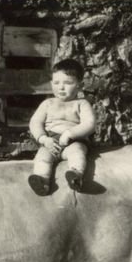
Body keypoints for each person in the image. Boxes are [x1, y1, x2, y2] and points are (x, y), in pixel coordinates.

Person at [29, 59, 96, 195]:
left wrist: (70, 133)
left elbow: (90, 124)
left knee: (77, 153)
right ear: (51, 83)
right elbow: (35, 122)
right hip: (51, 142)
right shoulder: (48, 103)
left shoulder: (81, 104)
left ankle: (75, 175)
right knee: (42, 157)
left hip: (74, 141)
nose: (61, 87)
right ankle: (42, 181)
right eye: (56, 83)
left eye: (68, 83)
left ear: (80, 85)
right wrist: (43, 139)